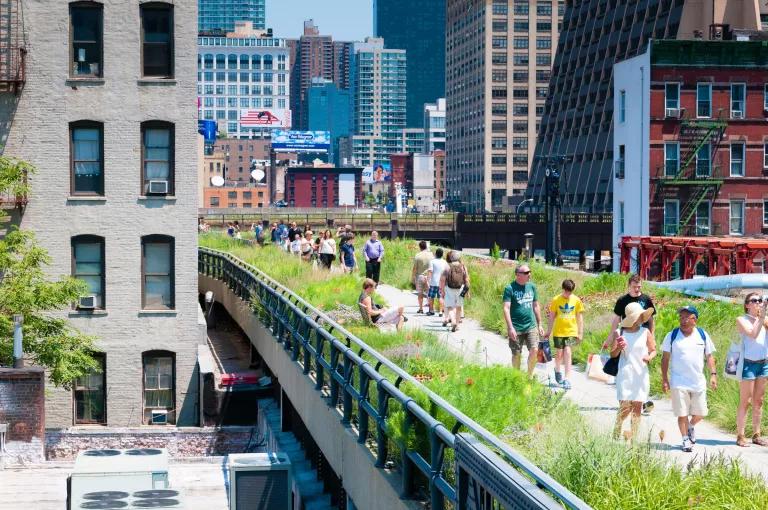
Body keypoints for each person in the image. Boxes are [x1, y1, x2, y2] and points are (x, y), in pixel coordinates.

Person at [661, 305, 716, 452]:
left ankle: (691, 426)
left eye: (687, 317)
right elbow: (665, 359)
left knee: (702, 413)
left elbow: (709, 356)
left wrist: (713, 374)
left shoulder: (702, 335)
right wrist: (665, 379)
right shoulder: (671, 335)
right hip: (678, 381)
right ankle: (685, 439)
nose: (683, 320)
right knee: (682, 413)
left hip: (698, 381)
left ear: (695, 320)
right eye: (681, 317)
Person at [605, 274, 657, 413]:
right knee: (628, 364)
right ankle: (628, 399)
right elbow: (616, 320)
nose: (637, 289)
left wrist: (652, 336)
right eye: (634, 286)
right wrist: (610, 338)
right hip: (626, 334)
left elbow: (651, 320)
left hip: (643, 335)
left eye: (639, 286)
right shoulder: (623, 300)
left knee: (641, 366)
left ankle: (641, 400)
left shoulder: (645, 299)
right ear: (629, 285)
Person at [612, 302, 656, 442]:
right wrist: (618, 347)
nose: (641, 318)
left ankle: (633, 439)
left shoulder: (645, 332)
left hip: (641, 374)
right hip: (625, 374)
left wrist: (649, 357)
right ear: (632, 317)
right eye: (639, 316)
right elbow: (613, 354)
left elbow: (653, 350)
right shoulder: (620, 332)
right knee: (625, 407)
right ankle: (618, 427)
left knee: (637, 407)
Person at [734, 293, 768, 447]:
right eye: (754, 301)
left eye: (760, 300)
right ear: (747, 304)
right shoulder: (742, 320)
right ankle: (740, 435)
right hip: (748, 363)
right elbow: (753, 334)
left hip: (763, 363)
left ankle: (756, 434)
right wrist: (761, 317)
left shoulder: (765, 319)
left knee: (759, 401)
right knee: (746, 401)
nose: (758, 303)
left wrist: (764, 315)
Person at [503, 264, 544, 377]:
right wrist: (510, 327)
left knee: (535, 350)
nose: (529, 274)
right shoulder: (510, 288)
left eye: (529, 272)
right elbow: (506, 308)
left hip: (531, 326)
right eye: (526, 273)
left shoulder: (532, 287)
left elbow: (536, 306)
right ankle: (517, 376)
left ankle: (529, 376)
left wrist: (539, 324)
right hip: (516, 328)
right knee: (516, 354)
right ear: (518, 275)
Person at [544, 279, 584, 390]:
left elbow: (580, 318)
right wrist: (548, 331)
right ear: (563, 289)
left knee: (568, 351)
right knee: (559, 354)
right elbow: (552, 316)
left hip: (571, 331)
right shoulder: (556, 300)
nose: (567, 294)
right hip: (558, 331)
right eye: (566, 292)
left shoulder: (576, 300)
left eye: (570, 292)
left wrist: (580, 333)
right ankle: (557, 369)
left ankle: (567, 378)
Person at [441, 251, 469, 332]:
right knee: (459, 307)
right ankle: (457, 324)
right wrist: (467, 291)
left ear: (451, 258)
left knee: (449, 306)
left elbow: (443, 279)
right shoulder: (463, 267)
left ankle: (453, 321)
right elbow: (466, 279)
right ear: (459, 258)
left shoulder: (447, 267)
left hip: (449, 288)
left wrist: (442, 290)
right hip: (460, 288)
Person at [411, 241, 434, 314]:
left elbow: (415, 268)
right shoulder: (431, 255)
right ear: (426, 247)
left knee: (420, 294)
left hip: (420, 276)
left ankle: (421, 309)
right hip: (429, 276)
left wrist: (413, 277)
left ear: (420, 247)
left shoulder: (418, 255)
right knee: (429, 294)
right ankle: (430, 309)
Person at [426, 248, 448, 316]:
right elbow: (447, 272)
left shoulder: (432, 261)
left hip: (433, 282)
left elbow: (430, 271)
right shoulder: (444, 262)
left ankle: (431, 310)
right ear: (442, 255)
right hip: (442, 282)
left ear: (436, 254)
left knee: (431, 297)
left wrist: (428, 280)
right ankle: (441, 311)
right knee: (441, 297)